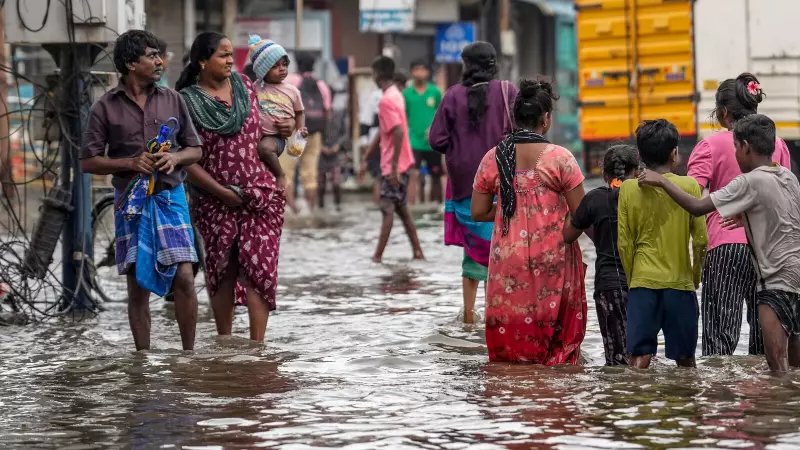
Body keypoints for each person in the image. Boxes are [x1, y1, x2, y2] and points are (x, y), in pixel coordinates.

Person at [639, 114, 800, 374]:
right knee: (794, 369)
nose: (735, 153)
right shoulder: (786, 177)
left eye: (736, 147)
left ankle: (773, 412)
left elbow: (697, 206)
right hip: (796, 281)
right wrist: (747, 216)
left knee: (776, 368)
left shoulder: (749, 181)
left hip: (774, 284)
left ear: (746, 146)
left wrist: (662, 181)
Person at [80, 30, 202, 351]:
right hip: (130, 203)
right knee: (137, 287)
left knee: (185, 279)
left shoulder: (173, 99)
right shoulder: (104, 107)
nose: (159, 61)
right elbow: (89, 162)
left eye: (158, 55)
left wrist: (175, 157)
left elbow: (195, 150)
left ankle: (188, 356)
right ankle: (142, 361)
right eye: (151, 56)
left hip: (171, 198)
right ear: (131, 64)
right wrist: (131, 163)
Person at [176, 31, 288, 343]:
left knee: (259, 269)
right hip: (214, 201)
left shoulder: (245, 86)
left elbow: (268, 136)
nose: (230, 60)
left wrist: (285, 133)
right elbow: (186, 159)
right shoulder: (186, 101)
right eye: (222, 55)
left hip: (259, 195)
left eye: (230, 55)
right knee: (222, 270)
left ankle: (257, 348)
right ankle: (225, 342)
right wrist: (222, 192)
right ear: (202, 61)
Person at [471, 78, 587, 363]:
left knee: (510, 349)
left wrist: (513, 205)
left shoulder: (493, 158)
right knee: (555, 350)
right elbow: (581, 214)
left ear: (515, 118)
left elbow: (478, 211)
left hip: (507, 262)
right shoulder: (561, 159)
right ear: (545, 120)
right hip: (552, 261)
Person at [687, 73, 792, 357]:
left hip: (724, 249)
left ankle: (723, 399)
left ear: (723, 114)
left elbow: (691, 193)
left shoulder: (710, 145)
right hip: (767, 253)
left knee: (719, 345)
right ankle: (767, 399)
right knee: (765, 345)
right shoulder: (777, 145)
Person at [429, 42, 517, 324]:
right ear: (493, 64)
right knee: (505, 245)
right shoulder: (507, 91)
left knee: (473, 248)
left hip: (465, 182)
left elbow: (436, 140)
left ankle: (469, 315)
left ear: (465, 65)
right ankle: (501, 311)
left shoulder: (452, 96)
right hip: (502, 179)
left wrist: (461, 145)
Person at [618, 119, 708, 369]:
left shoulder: (628, 189)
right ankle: (685, 406)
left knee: (638, 358)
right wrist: (695, 276)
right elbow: (701, 240)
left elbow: (625, 244)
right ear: (674, 153)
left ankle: (639, 406)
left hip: (642, 283)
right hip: (680, 284)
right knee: (686, 360)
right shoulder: (689, 185)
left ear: (640, 155)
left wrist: (632, 278)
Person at [564, 144, 639, 366]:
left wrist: (569, 211)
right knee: (642, 354)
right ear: (635, 171)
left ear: (604, 174)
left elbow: (568, 236)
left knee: (615, 358)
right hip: (645, 284)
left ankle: (615, 397)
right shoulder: (645, 197)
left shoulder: (595, 200)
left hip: (608, 286)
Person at [360, 56, 424, 263]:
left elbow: (396, 132)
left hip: (394, 164)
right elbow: (384, 130)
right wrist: (367, 157)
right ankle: (418, 252)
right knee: (401, 209)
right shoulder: (396, 95)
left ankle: (377, 257)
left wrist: (394, 167)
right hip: (401, 161)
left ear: (377, 74)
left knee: (387, 207)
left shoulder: (387, 99)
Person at [248, 35, 306, 195]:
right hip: (256, 136)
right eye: (275, 66)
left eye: (284, 65)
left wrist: (300, 129)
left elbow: (299, 112)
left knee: (265, 148)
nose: (282, 69)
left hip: (275, 138)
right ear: (263, 70)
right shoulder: (255, 88)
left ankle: (280, 174)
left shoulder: (292, 91)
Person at [284, 51, 332, 214]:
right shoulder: (322, 85)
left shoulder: (290, 81)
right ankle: (310, 210)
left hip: (296, 134)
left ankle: (293, 211)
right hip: (314, 134)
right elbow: (328, 112)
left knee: (287, 172)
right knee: (310, 174)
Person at [404, 60, 443, 205]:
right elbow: (403, 117)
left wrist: (436, 130)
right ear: (412, 72)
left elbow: (442, 114)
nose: (419, 72)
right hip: (413, 140)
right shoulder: (406, 94)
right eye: (416, 69)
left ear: (427, 73)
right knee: (413, 174)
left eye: (422, 69)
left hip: (433, 141)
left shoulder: (435, 92)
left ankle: (436, 208)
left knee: (436, 175)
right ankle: (412, 208)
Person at [319, 94, 350, 211]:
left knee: (336, 183)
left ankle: (338, 206)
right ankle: (320, 207)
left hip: (335, 154)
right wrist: (320, 147)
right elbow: (311, 135)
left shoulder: (339, 116)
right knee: (321, 185)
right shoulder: (317, 118)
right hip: (321, 155)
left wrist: (338, 145)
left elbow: (345, 134)